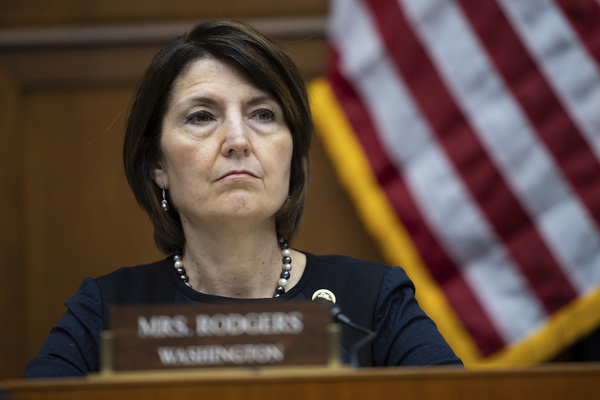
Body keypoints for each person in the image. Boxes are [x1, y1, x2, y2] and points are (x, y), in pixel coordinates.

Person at [24, 19, 461, 378]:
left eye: (263, 114)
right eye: (201, 116)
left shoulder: (373, 298)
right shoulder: (105, 311)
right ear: (158, 163)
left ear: (291, 155)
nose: (237, 139)